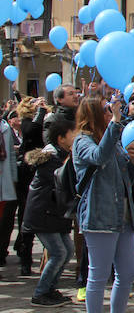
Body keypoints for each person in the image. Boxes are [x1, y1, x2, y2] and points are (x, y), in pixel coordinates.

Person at [73, 95, 134, 313]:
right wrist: (115, 122)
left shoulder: (113, 140)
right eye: (105, 109)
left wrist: (133, 161)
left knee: (128, 272)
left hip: (123, 215)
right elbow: (98, 157)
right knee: (99, 275)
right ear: (93, 113)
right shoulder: (82, 142)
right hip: (100, 215)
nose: (110, 111)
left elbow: (127, 180)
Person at [23, 119, 77, 306]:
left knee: (67, 250)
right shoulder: (50, 159)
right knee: (58, 252)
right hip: (43, 214)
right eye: (73, 133)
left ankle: (50, 289)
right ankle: (40, 293)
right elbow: (62, 183)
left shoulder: (63, 155)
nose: (76, 136)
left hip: (54, 215)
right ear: (61, 138)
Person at [14, 96, 47, 275]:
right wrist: (40, 111)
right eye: (35, 102)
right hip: (28, 174)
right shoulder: (27, 121)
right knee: (27, 215)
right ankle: (25, 257)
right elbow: (31, 131)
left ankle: (41, 257)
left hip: (43, 172)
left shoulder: (44, 120)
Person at [0, 111, 17, 270]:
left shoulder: (4, 127)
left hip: (3, 181)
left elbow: (10, 155)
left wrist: (13, 179)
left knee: (3, 222)